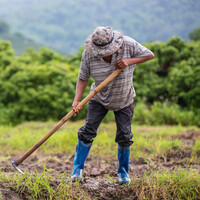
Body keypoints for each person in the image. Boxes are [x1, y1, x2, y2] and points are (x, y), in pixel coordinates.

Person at [70, 26, 154, 185]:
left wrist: (129, 61)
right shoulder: (89, 54)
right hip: (99, 97)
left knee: (124, 135)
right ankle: (77, 171)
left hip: (124, 98)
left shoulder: (128, 44)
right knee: (87, 131)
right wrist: (76, 101)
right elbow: (83, 78)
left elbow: (149, 55)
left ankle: (123, 173)